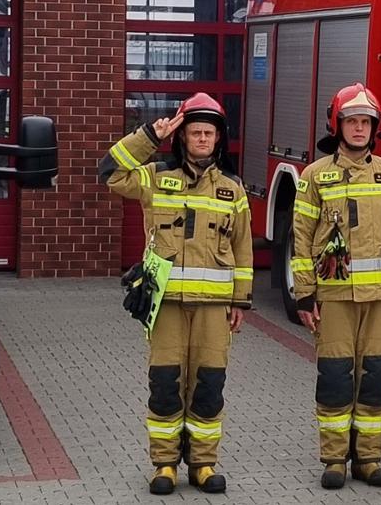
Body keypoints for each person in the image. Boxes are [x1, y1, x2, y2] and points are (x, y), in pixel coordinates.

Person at [102, 93, 252, 495]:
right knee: (166, 384)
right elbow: (111, 172)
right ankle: (165, 464)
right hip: (165, 306)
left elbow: (243, 248)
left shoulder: (233, 190)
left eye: (209, 133)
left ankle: (203, 465)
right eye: (195, 132)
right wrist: (151, 134)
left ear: (219, 139)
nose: (202, 139)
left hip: (214, 310)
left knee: (208, 385)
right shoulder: (155, 176)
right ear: (182, 136)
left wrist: (241, 300)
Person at [291, 84, 381, 489]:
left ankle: (368, 458)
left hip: (380, 300)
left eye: (365, 122)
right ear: (338, 125)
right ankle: (333, 459)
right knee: (335, 378)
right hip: (334, 298)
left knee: (376, 378)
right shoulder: (315, 176)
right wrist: (305, 294)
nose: (359, 129)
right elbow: (302, 236)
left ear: (374, 127)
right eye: (352, 121)